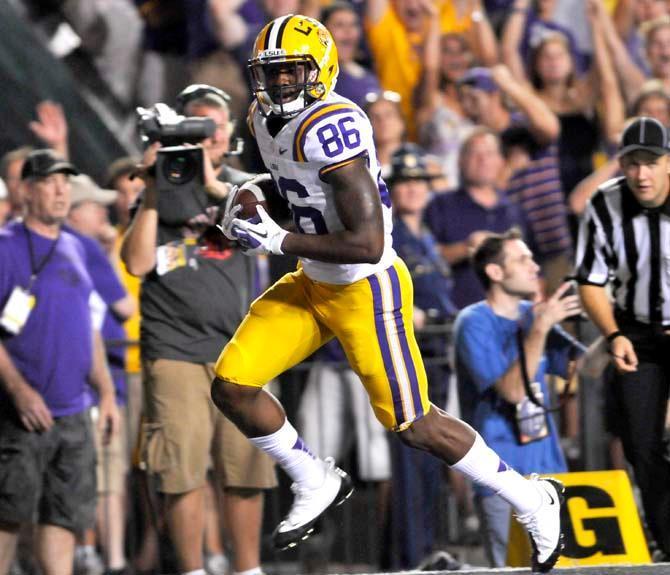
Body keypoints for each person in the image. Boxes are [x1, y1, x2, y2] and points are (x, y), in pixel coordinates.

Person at [210, 15, 565, 574]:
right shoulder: (260, 118)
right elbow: (294, 193)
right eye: (270, 74)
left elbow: (368, 242)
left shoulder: (331, 126)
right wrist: (252, 204)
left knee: (415, 424)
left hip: (364, 285)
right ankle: (313, 476)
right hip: (313, 279)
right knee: (231, 385)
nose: (278, 85)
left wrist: (276, 238)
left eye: (290, 73)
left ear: (320, 70)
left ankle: (530, 499)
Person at [121, 84, 276, 575]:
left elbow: (268, 244)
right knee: (181, 470)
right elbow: (138, 261)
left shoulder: (242, 185)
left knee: (245, 467)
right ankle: (192, 570)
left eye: (214, 125)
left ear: (229, 131)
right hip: (175, 351)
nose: (207, 135)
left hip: (243, 349)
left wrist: (214, 187)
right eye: (196, 125)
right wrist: (151, 190)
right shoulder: (160, 184)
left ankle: (247, 569)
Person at [0, 149, 120, 575]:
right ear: (27, 191)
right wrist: (17, 390)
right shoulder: (6, 247)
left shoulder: (76, 247)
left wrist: (105, 393)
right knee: (8, 516)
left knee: (63, 518)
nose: (60, 190)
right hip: (22, 414)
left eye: (65, 182)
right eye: (49, 182)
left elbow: (87, 327)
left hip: (73, 413)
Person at [454, 228, 584, 567]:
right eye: (522, 259)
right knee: (511, 570)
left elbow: (589, 366)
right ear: (495, 272)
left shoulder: (532, 314)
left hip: (551, 471)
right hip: (501, 475)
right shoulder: (473, 322)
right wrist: (540, 330)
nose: (534, 267)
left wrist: (610, 327)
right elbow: (512, 391)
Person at [574, 115, 670, 560]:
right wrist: (613, 334)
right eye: (632, 163)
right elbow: (590, 281)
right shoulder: (604, 203)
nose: (641, 174)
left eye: (650, 162)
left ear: (668, 163)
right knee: (640, 443)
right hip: (635, 331)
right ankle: (668, 547)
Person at [424, 128, 528, 309]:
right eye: (475, 153)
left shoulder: (514, 211)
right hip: (456, 314)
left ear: (501, 162)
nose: (483, 160)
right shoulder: (440, 205)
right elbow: (424, 259)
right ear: (460, 161)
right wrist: (466, 248)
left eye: (489, 153)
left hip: (509, 317)